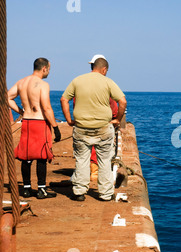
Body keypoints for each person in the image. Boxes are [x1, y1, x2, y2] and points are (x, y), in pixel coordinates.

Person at [61, 56, 126, 201]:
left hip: (81, 127)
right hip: (103, 128)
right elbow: (122, 101)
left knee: (82, 160)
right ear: (104, 69)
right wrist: (117, 119)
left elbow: (64, 99)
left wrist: (69, 120)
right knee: (104, 160)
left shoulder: (77, 80)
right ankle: (105, 194)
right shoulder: (108, 82)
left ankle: (79, 192)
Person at [7, 57, 61, 199]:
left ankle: (26, 188)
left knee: (26, 156)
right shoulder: (43, 84)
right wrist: (55, 127)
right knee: (42, 156)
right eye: (49, 69)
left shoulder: (21, 82)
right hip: (40, 123)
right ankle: (41, 190)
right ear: (44, 68)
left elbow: (7, 98)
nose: (49, 71)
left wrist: (21, 111)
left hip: (27, 122)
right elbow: (47, 107)